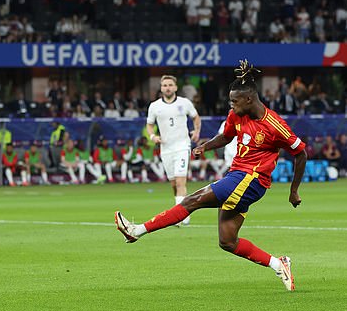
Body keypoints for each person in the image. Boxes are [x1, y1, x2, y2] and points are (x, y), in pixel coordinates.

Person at [115, 61, 307, 291]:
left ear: (249, 99)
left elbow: (301, 153)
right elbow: (226, 137)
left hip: (252, 180)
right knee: (227, 241)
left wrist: (294, 190)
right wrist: (205, 147)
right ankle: (279, 264)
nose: (231, 105)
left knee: (192, 200)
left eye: (234, 101)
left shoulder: (274, 125)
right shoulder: (237, 114)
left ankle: (136, 231)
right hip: (238, 176)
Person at [146, 75, 201, 226]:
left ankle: (181, 216)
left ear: (176, 87)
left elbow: (196, 118)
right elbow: (149, 125)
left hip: (182, 146)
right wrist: (152, 136)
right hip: (166, 148)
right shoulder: (155, 106)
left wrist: (196, 131)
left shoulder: (185, 103)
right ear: (161, 88)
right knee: (173, 184)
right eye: (164, 85)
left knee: (180, 180)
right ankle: (179, 210)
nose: (167, 88)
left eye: (170, 85)